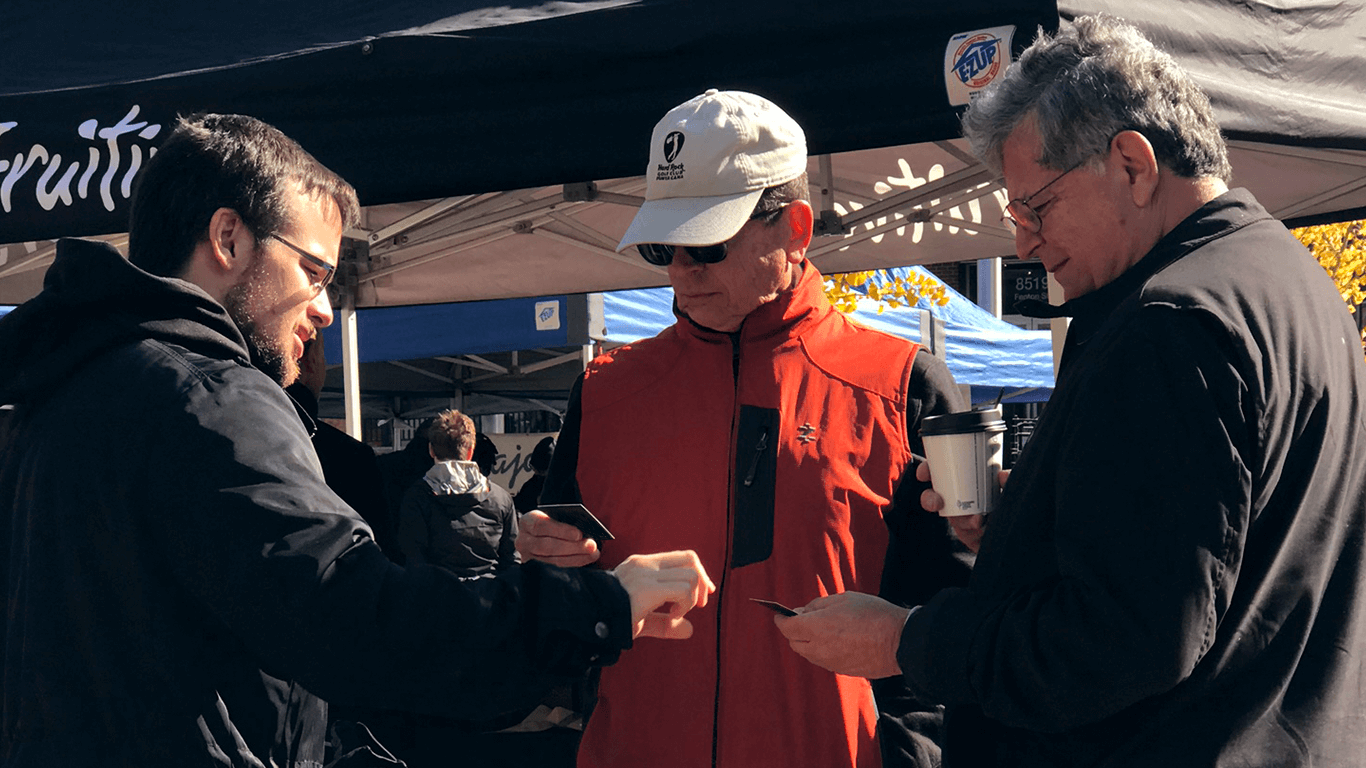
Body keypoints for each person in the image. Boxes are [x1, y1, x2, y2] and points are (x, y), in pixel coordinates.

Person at [0, 112, 714, 768]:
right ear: (227, 238)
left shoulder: (58, 391)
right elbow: (355, 615)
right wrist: (592, 606)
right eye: (313, 272)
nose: (320, 309)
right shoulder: (211, 396)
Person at [775, 15, 1366, 768]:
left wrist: (907, 640)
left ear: (1131, 162)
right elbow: (1217, 567)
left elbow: (1123, 643)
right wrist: (1028, 534)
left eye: (1036, 206)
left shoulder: (1169, 323)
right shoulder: (1284, 278)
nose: (1022, 241)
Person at [517, 89, 969, 768]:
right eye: (661, 247)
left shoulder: (901, 384)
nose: (678, 271)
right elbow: (561, 616)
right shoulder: (605, 392)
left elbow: (957, 620)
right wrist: (538, 563)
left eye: (704, 244)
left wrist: (909, 754)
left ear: (794, 227)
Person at [285, 334, 391, 551]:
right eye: (322, 356)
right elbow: (381, 551)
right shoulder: (351, 458)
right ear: (309, 361)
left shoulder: (219, 439)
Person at [397, 408, 519, 576]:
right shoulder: (500, 498)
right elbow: (511, 560)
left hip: (439, 597)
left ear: (431, 450)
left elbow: (414, 560)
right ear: (471, 451)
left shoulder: (416, 497)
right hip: (491, 596)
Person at [513, 436, 555, 514]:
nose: (536, 472)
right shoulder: (532, 485)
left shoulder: (562, 486)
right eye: (534, 469)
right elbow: (520, 502)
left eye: (541, 471)